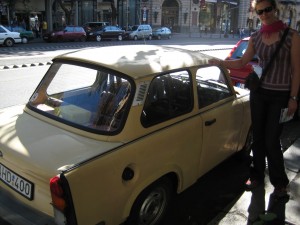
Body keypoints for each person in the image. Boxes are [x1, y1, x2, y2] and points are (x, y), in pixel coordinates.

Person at [209, 0, 300, 197]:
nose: (264, 14)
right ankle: (257, 175)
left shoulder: (291, 36)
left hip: (280, 96)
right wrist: (220, 63)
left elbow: (296, 69)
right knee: (257, 137)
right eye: (260, 12)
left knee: (272, 140)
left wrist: (293, 97)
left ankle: (280, 182)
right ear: (256, 14)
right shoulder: (256, 37)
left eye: (267, 9)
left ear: (275, 9)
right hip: (259, 94)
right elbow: (242, 61)